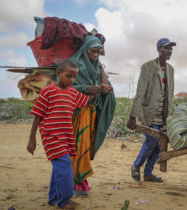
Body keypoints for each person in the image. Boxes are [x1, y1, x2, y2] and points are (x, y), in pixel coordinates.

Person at [27, 60, 94, 209]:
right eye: (69, 76)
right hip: (51, 135)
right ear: (58, 73)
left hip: (66, 136)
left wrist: (99, 91)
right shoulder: (48, 91)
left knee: (59, 167)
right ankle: (63, 201)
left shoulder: (72, 92)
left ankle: (54, 199)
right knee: (64, 166)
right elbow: (38, 114)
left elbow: (85, 101)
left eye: (74, 77)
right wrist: (32, 139)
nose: (72, 80)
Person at [69, 35, 116, 195]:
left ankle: (80, 183)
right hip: (77, 113)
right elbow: (65, 87)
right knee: (77, 147)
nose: (95, 55)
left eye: (98, 52)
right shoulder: (74, 64)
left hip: (91, 113)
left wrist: (102, 73)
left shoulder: (96, 67)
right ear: (85, 50)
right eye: (93, 51)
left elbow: (104, 85)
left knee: (85, 147)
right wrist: (87, 89)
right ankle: (74, 183)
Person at [127, 38, 176, 182]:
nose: (169, 51)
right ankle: (136, 166)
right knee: (151, 140)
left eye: (171, 49)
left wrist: (170, 115)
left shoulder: (170, 69)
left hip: (164, 114)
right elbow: (140, 92)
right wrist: (132, 115)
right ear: (159, 49)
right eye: (166, 48)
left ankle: (148, 173)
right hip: (150, 113)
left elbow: (170, 92)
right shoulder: (147, 67)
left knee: (159, 145)